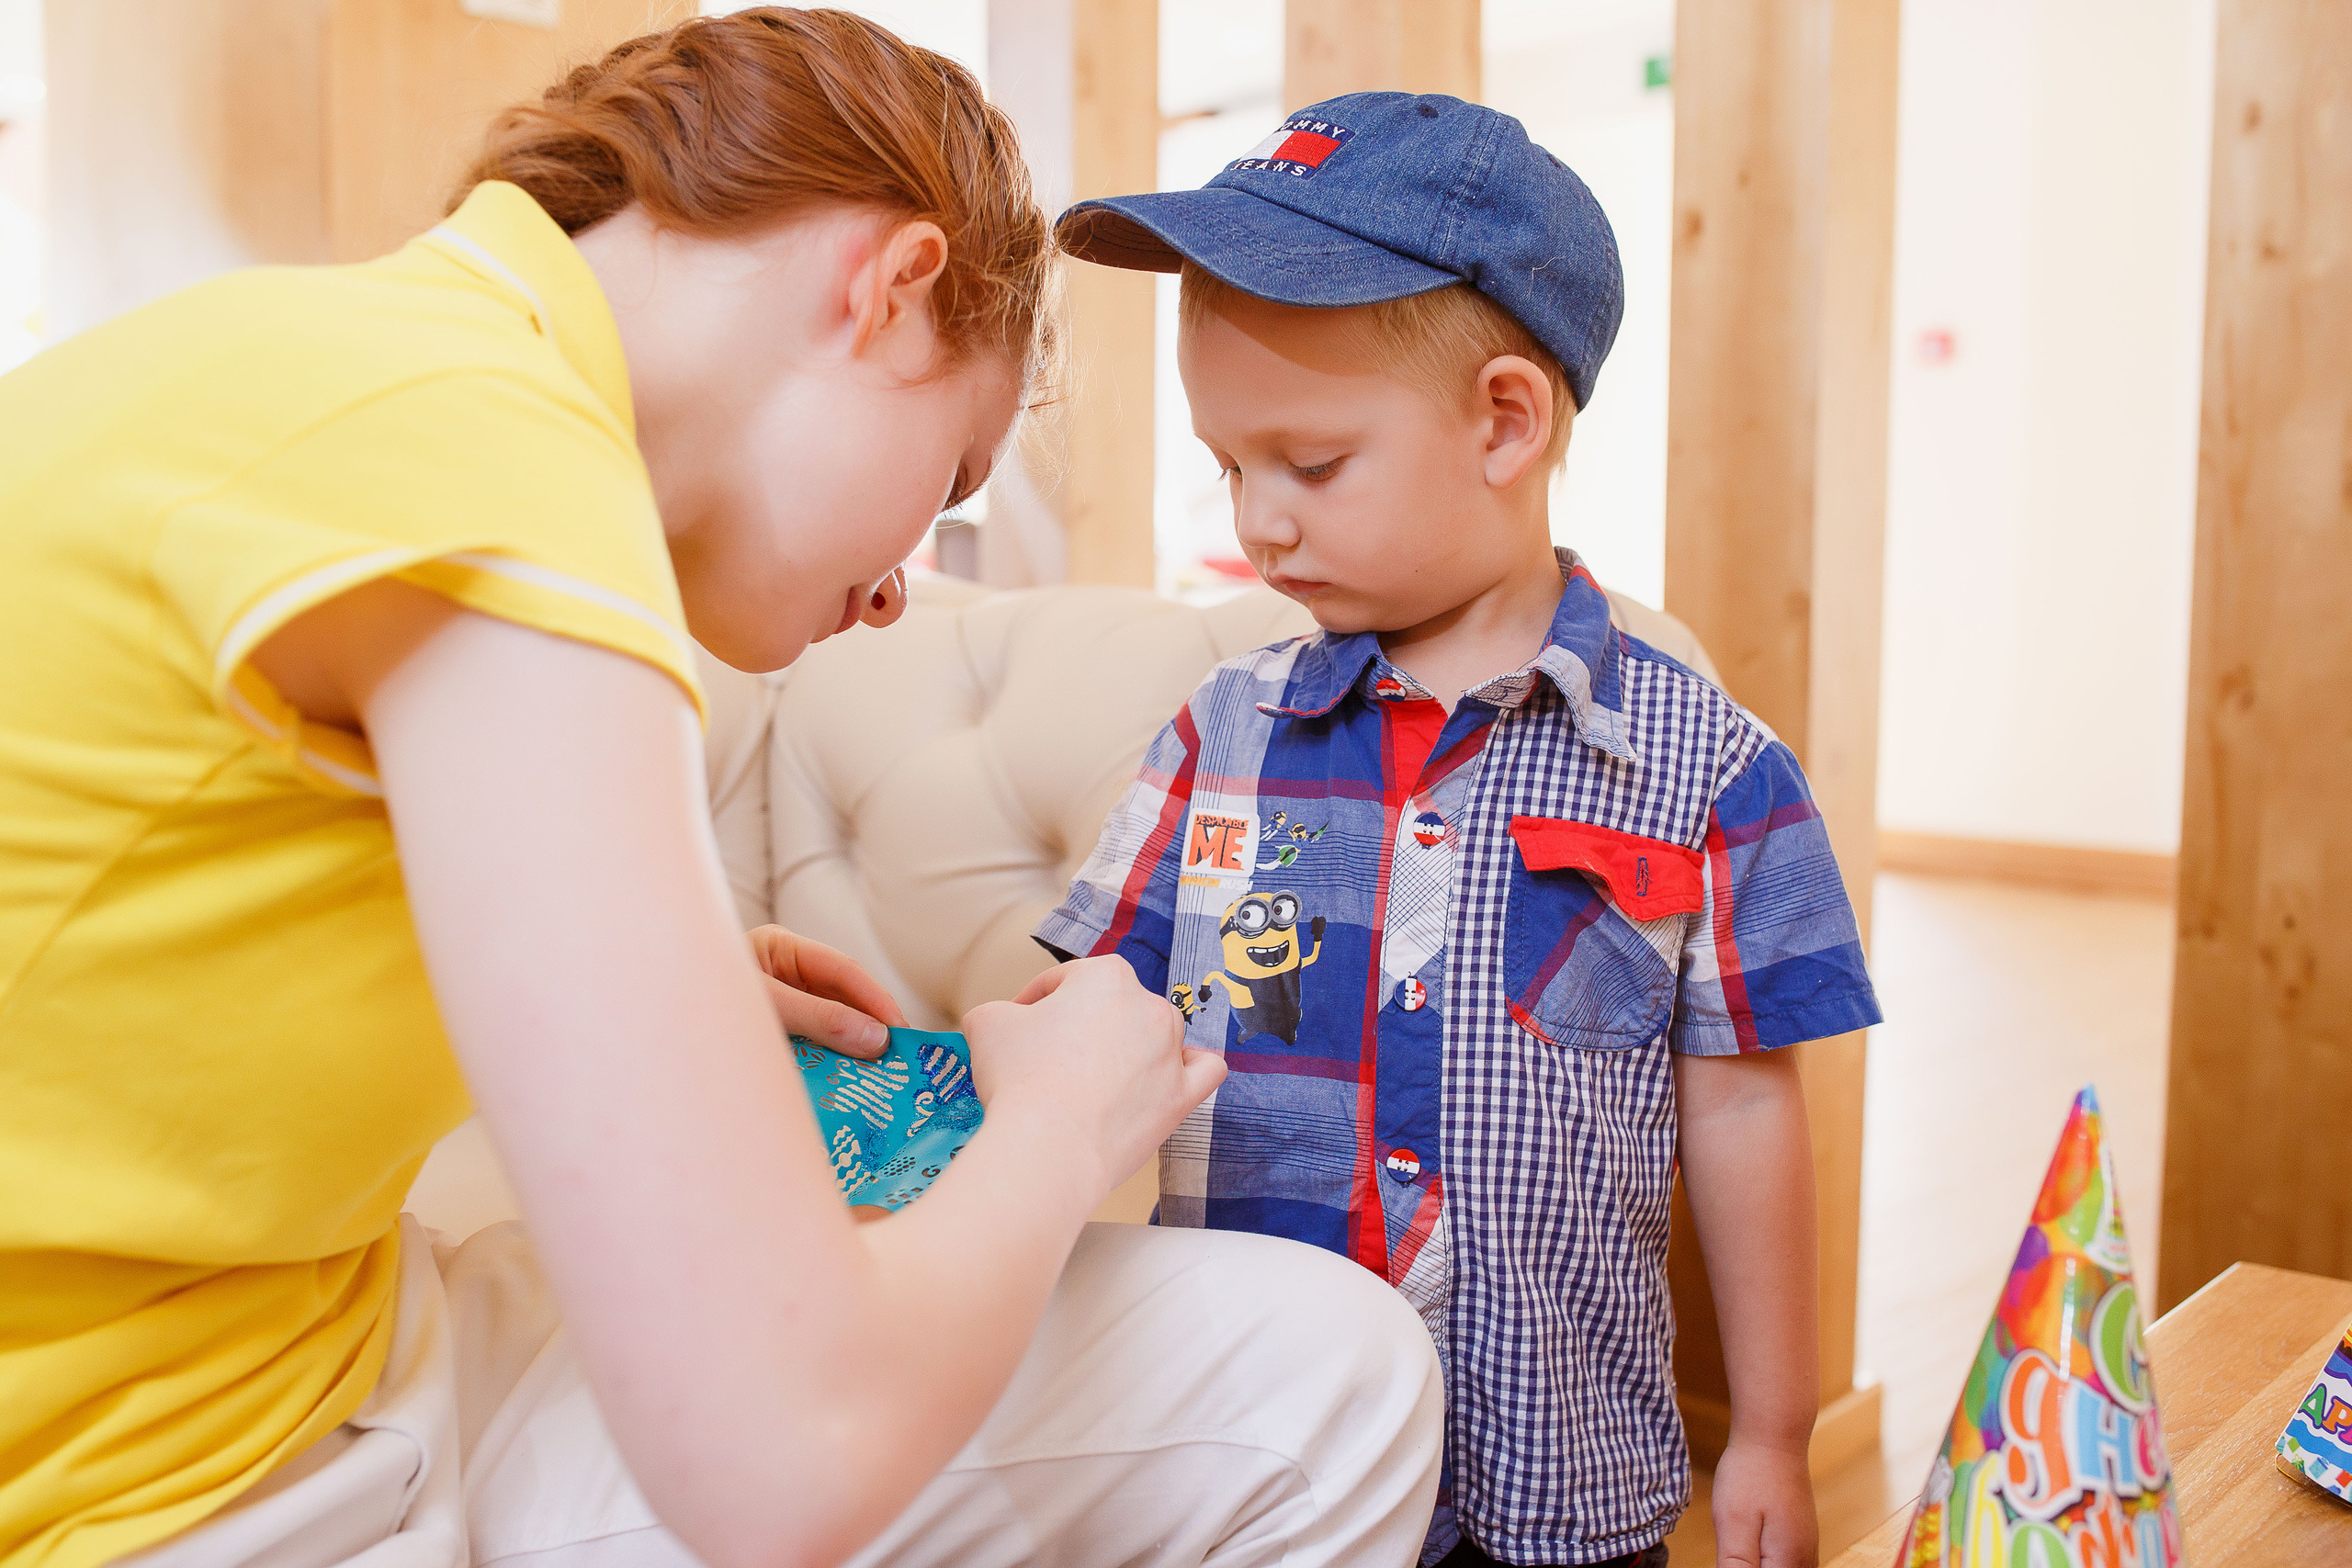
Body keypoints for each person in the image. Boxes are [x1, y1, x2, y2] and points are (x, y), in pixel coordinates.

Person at [0, 15, 1444, 1568]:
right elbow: (783, 1467)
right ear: (893, 291)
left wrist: (622, 994)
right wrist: (1066, 1124)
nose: (898, 593)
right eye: (949, 484)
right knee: (1332, 1383)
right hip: (164, 1489)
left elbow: (131, 954)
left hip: (288, 1342)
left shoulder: (327, 364)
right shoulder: (489, 458)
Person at [1035, 94, 1885, 1568]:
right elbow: (1088, 1016)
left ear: (1506, 420)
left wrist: (1768, 1434)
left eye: (1307, 464)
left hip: (1556, 1476)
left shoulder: (1711, 773)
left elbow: (1747, 1110)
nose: (1259, 524)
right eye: (1229, 465)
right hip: (1257, 1468)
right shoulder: (1219, 738)